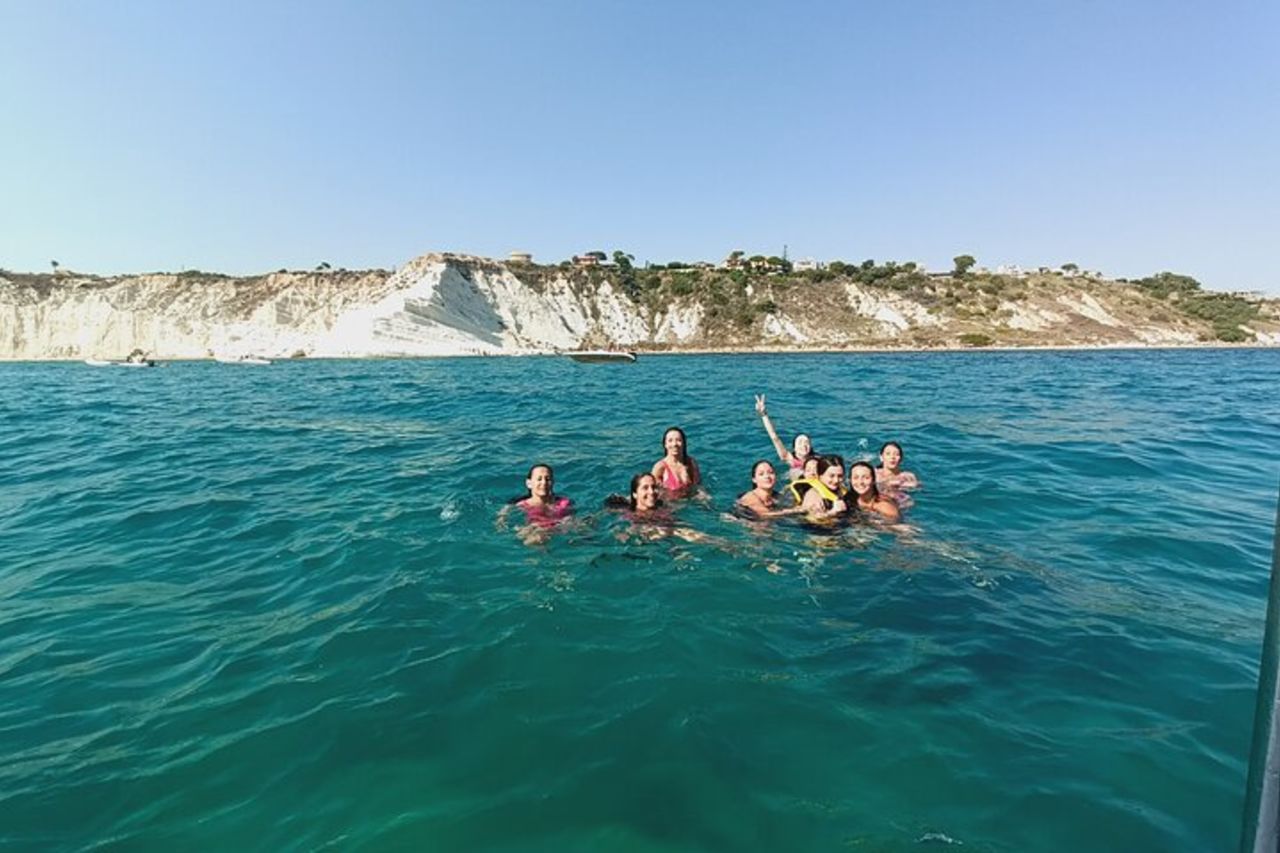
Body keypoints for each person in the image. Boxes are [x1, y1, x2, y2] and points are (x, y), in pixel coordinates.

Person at [499, 463, 574, 543]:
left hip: (558, 528)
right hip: (536, 530)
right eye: (539, 479)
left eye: (548, 479)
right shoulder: (520, 504)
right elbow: (502, 519)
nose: (544, 483)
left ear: (552, 482)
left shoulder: (563, 502)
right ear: (529, 483)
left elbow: (570, 519)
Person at [754, 394, 812, 477]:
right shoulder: (789, 459)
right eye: (800, 442)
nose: (803, 445)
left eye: (807, 442)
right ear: (794, 448)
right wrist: (763, 414)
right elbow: (774, 437)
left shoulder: (816, 459)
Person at [736, 460, 807, 519]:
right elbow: (764, 515)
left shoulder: (775, 496)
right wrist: (793, 511)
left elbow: (793, 506)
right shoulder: (750, 497)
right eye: (761, 474)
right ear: (754, 479)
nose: (767, 476)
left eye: (771, 472)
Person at [788, 456, 847, 521]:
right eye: (831, 476)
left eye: (840, 476)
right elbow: (813, 519)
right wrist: (834, 511)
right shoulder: (814, 495)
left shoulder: (839, 489)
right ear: (820, 476)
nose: (836, 480)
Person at [652, 426, 701, 498]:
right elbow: (650, 491)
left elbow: (698, 486)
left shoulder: (691, 463)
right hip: (670, 505)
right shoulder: (660, 467)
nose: (674, 444)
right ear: (665, 445)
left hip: (690, 501)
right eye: (670, 441)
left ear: (684, 443)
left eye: (678, 440)